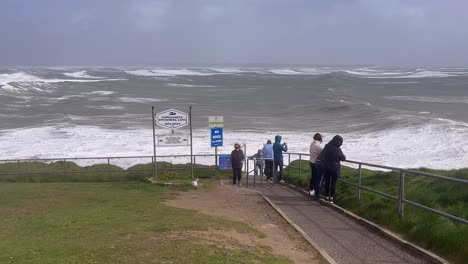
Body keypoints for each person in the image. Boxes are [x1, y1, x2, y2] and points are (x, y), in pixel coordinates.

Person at [320, 135, 346, 203]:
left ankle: (326, 197)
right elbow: (343, 158)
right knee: (333, 183)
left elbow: (322, 155)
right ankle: (331, 198)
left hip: (326, 167)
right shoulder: (337, 149)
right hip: (334, 168)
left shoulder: (326, 146)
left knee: (327, 182)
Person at [309, 133, 323, 199]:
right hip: (316, 163)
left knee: (313, 177)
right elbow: (322, 155)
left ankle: (311, 190)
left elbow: (310, 151)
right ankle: (317, 194)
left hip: (311, 161)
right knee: (318, 179)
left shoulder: (312, 144)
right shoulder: (319, 146)